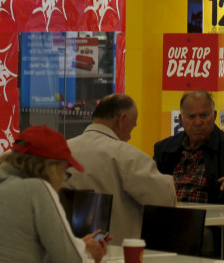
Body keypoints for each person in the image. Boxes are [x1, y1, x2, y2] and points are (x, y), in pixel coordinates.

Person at [0, 125, 108, 263]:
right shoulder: (37, 189)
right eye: (63, 171)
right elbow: (71, 260)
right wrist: (79, 251)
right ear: (51, 168)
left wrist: (77, 245)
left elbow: (13, 248)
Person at [64, 93, 177, 243]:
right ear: (122, 119)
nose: (130, 135)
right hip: (112, 250)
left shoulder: (62, 150)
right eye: (133, 125)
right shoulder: (128, 156)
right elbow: (164, 199)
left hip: (66, 250)